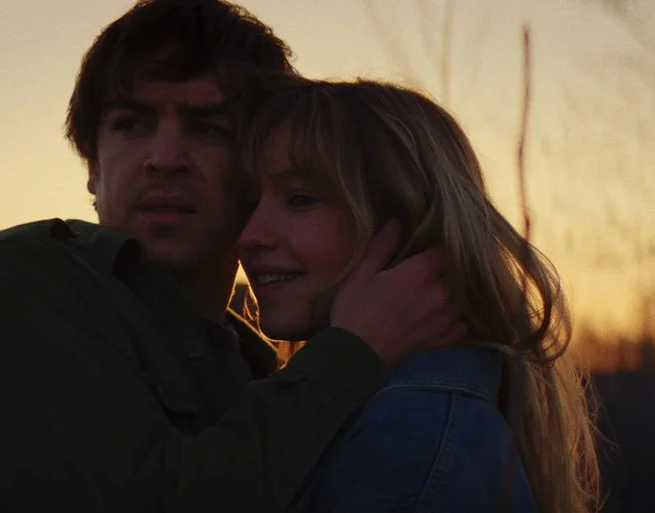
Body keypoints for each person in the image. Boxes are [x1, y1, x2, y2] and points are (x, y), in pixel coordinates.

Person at [0, 2, 465, 512]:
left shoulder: (255, 365)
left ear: (256, 168)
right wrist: (355, 352)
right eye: (132, 125)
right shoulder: (19, 282)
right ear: (93, 169)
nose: (165, 158)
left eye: (207, 128)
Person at [238, 76, 599, 513]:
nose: (250, 236)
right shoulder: (382, 416)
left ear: (406, 218)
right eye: (249, 203)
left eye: (300, 200)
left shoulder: (411, 438)